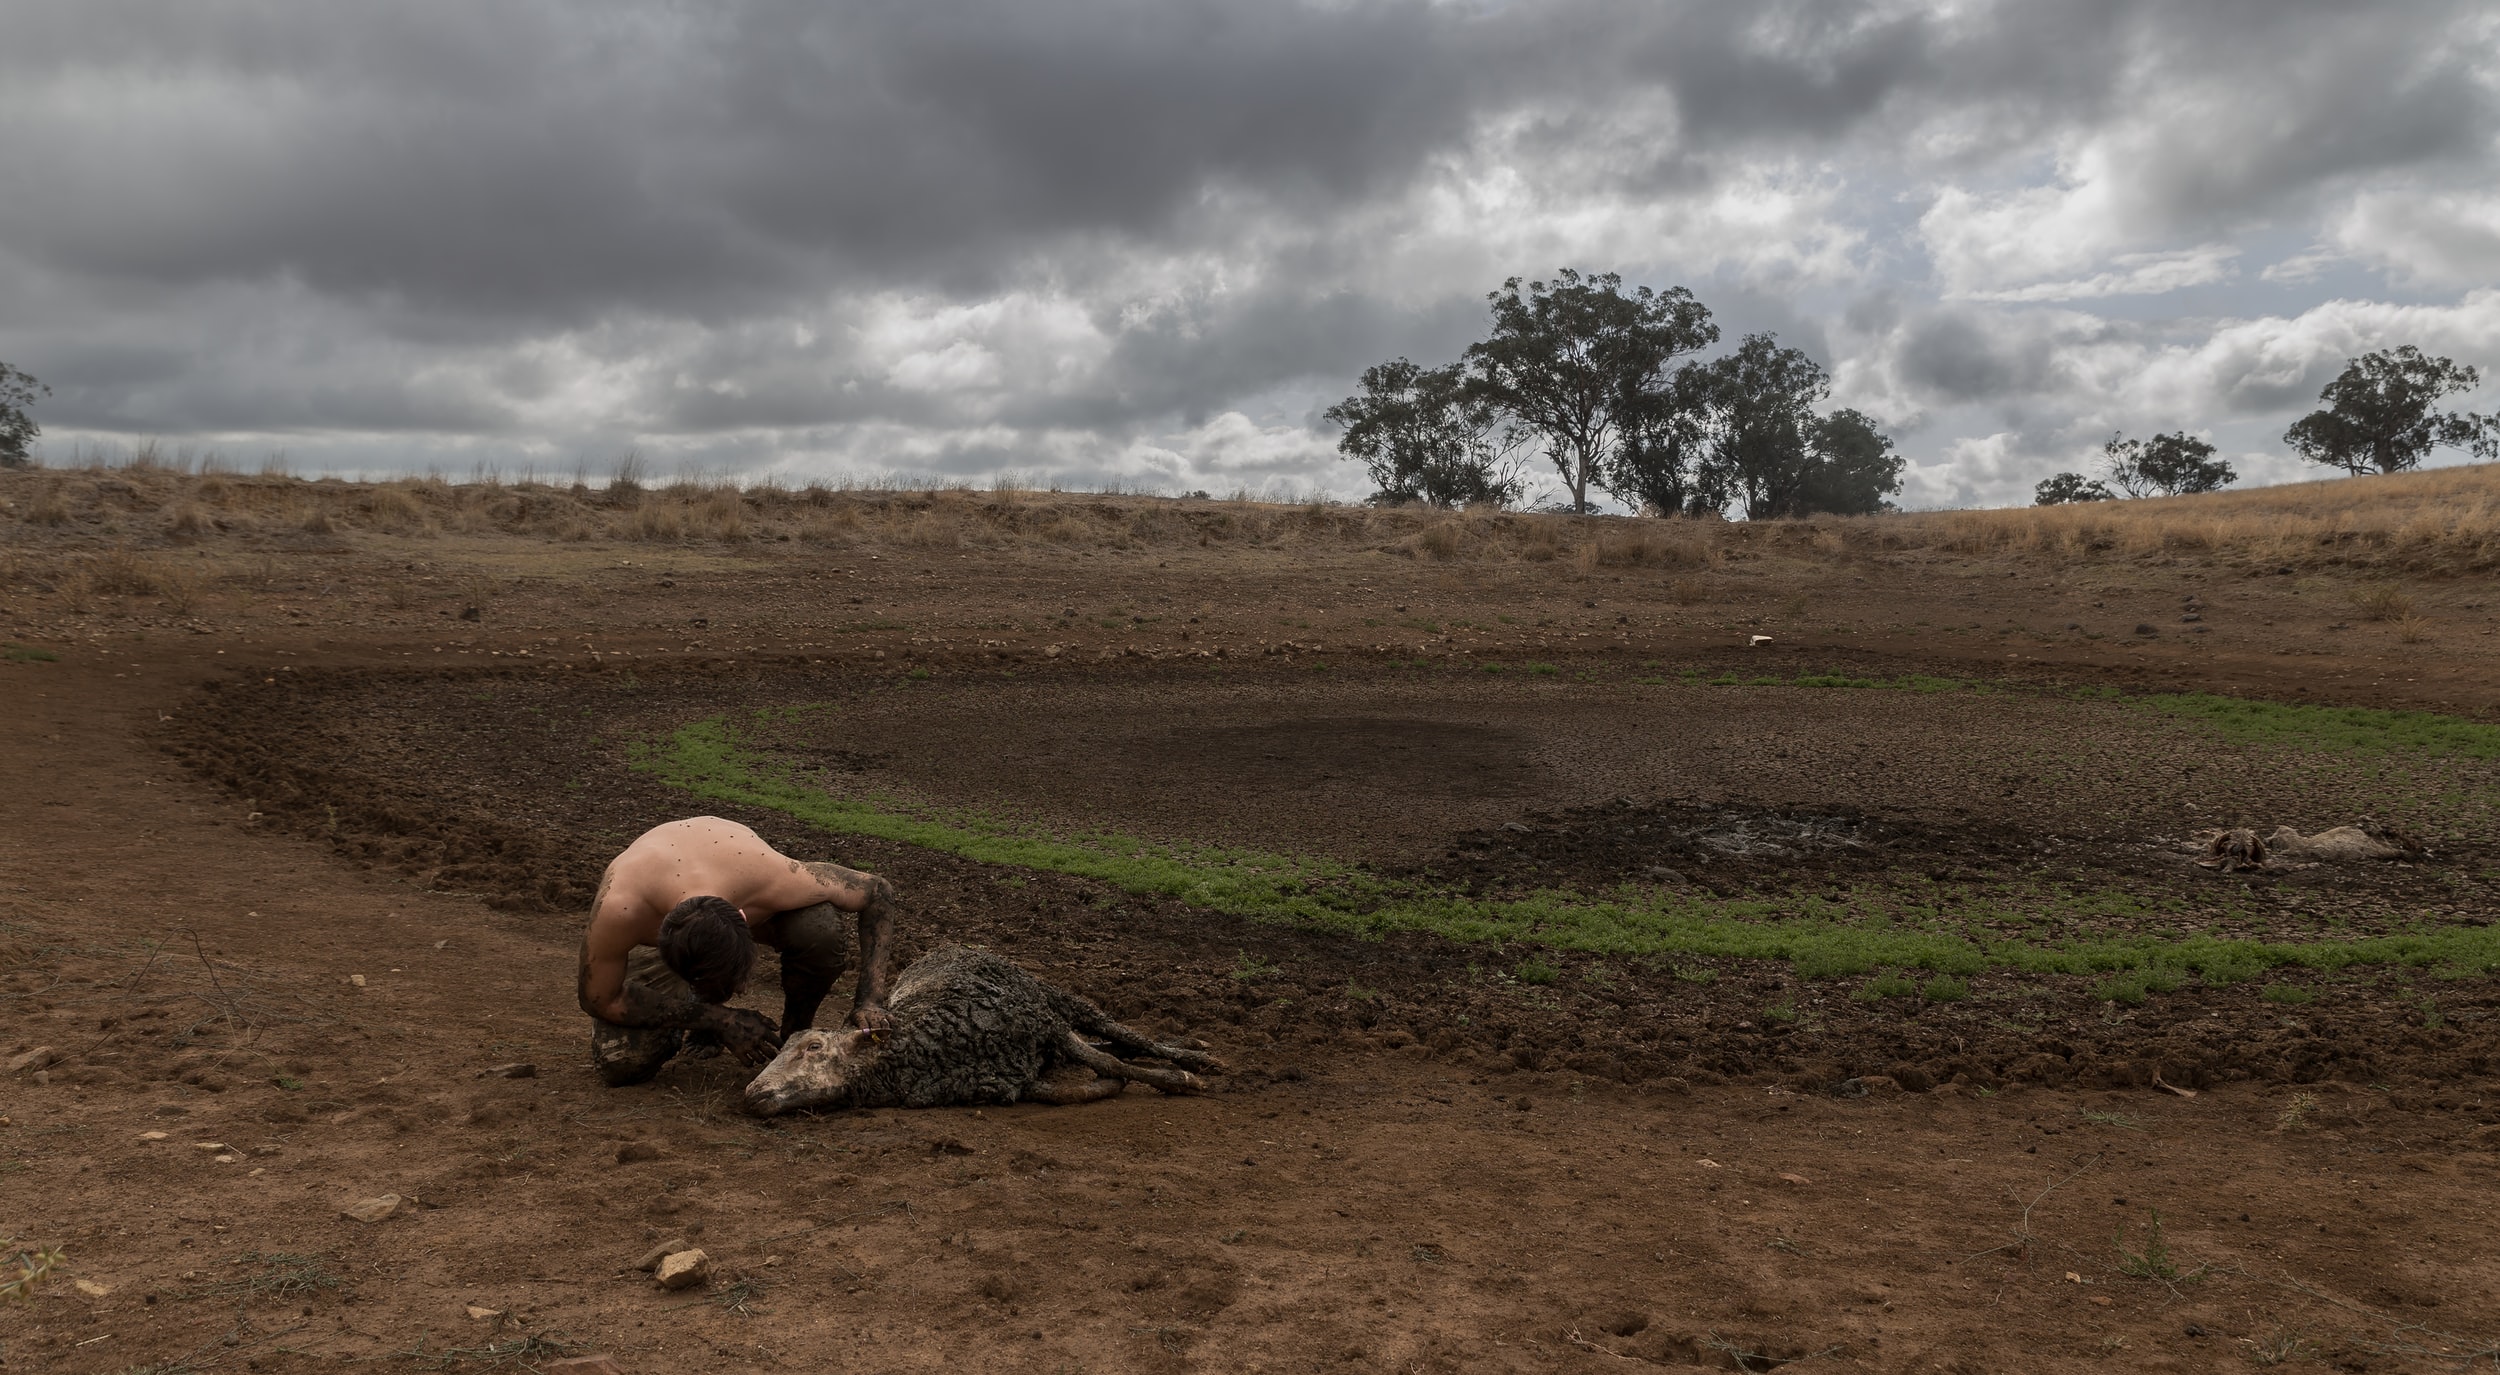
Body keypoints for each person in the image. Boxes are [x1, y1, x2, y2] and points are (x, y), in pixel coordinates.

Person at [577, 815, 896, 1087]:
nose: (743, 990)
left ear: (745, 920)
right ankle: (693, 1021)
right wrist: (718, 1019)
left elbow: (877, 891)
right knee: (623, 1062)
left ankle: (794, 1033)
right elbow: (598, 998)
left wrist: (870, 998)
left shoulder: (772, 877)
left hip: (731, 869)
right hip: (661, 903)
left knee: (820, 929)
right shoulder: (621, 908)